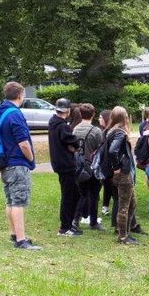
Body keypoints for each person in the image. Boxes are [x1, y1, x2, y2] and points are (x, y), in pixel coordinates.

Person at [0, 82, 41, 250]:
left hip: (5, 163)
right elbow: (23, 143)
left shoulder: (1, 111)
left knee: (10, 200)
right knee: (18, 202)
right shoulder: (15, 114)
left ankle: (14, 233)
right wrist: (30, 160)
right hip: (17, 163)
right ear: (20, 95)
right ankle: (21, 240)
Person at [107, 106, 145, 245]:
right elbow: (112, 151)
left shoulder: (111, 131)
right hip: (123, 174)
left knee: (132, 203)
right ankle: (123, 236)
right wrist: (117, 167)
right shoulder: (119, 133)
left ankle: (126, 232)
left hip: (123, 173)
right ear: (124, 118)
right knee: (124, 205)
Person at [48, 98, 81, 236]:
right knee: (69, 195)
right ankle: (65, 227)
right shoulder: (62, 126)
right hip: (66, 164)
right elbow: (71, 140)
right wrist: (76, 145)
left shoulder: (53, 122)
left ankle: (69, 224)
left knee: (74, 194)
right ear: (67, 111)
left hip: (59, 163)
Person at [73, 103, 105, 230]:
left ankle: (75, 220)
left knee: (81, 194)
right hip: (92, 166)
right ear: (93, 114)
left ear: (80, 114)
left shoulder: (75, 130)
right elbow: (100, 149)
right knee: (94, 195)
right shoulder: (96, 131)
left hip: (79, 166)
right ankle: (93, 221)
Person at [98, 109, 114, 218]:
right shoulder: (102, 131)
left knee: (110, 186)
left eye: (100, 117)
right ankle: (105, 207)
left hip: (109, 165)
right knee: (107, 185)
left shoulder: (110, 132)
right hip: (103, 164)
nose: (99, 119)